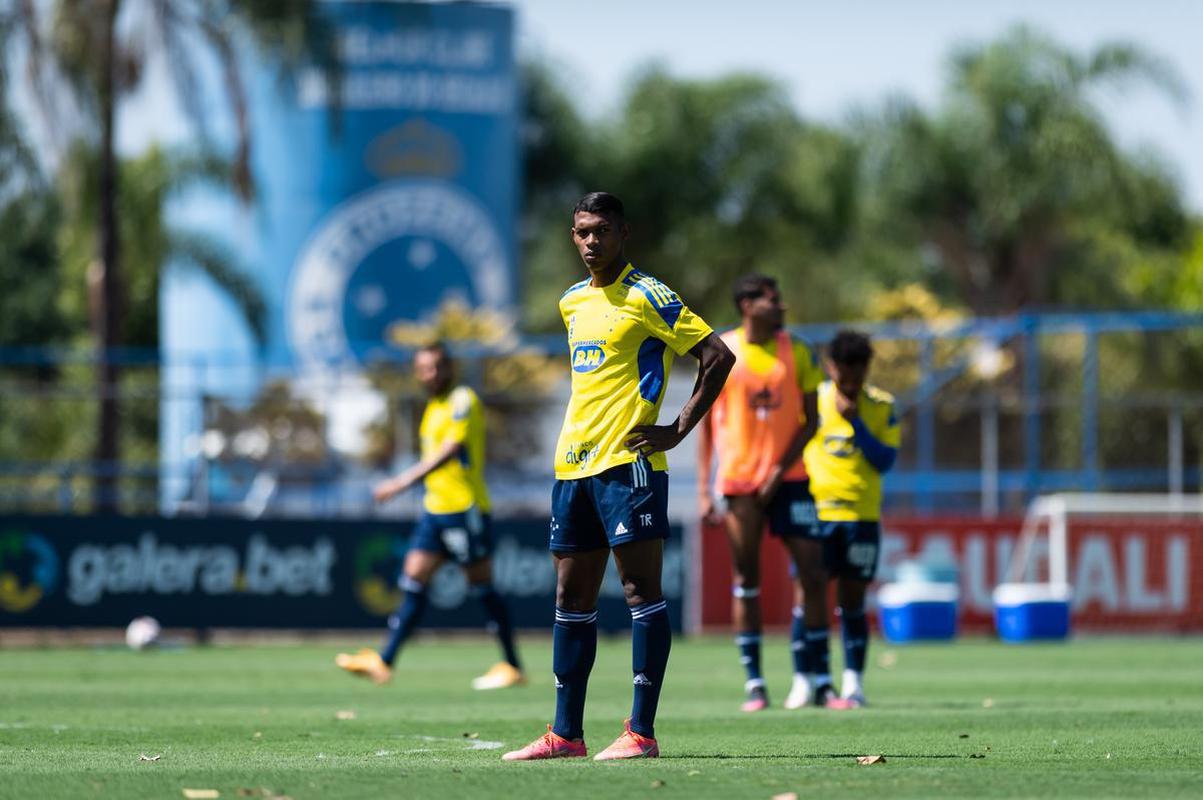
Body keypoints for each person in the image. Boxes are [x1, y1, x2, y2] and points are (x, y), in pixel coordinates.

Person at [503, 192, 734, 762]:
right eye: (581, 231)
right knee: (570, 594)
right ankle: (565, 735)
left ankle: (641, 733)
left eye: (601, 230)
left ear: (623, 234)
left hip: (628, 465)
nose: (590, 241)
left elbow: (718, 356)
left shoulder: (649, 294)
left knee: (640, 592)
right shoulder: (571, 301)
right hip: (572, 466)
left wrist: (677, 428)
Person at [336, 342, 525, 691]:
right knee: (413, 578)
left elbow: (450, 451)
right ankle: (384, 661)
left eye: (436, 367)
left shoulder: (461, 400)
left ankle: (512, 665)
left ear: (449, 367)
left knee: (482, 585)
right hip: (434, 511)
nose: (430, 374)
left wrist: (400, 482)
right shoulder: (433, 406)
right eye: (423, 368)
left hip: (462, 508)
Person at [696, 274, 823, 712]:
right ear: (747, 305)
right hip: (739, 483)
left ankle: (810, 677)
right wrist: (703, 489)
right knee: (746, 581)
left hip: (792, 479)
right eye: (772, 299)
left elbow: (812, 420)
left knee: (812, 571)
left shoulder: (798, 349)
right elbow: (706, 426)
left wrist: (780, 468)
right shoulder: (723, 351)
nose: (780, 305)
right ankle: (754, 682)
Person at [797, 330, 900, 709]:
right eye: (846, 375)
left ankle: (853, 683)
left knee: (852, 601)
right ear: (832, 368)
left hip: (861, 515)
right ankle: (804, 680)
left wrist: (856, 424)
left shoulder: (882, 405)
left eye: (860, 374)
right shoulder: (814, 401)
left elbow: (885, 461)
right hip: (817, 512)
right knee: (809, 595)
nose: (853, 383)